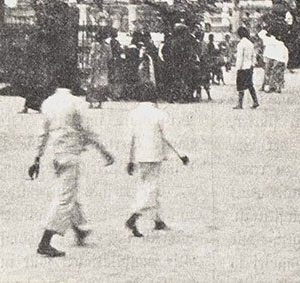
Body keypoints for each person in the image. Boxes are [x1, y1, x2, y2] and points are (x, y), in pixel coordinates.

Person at [27, 78, 116, 258]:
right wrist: (104, 151)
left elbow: (42, 133)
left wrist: (36, 158)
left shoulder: (48, 103)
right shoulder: (77, 103)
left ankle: (80, 228)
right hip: (70, 154)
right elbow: (88, 131)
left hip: (55, 155)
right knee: (65, 199)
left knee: (68, 193)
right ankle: (45, 242)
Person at [125, 83, 190, 237]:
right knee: (151, 187)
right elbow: (169, 137)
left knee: (147, 185)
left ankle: (157, 219)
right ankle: (134, 215)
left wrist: (130, 160)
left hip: (139, 156)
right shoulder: (160, 114)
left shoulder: (133, 114)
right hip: (154, 155)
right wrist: (181, 154)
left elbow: (131, 139)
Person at [233, 26, 259, 109]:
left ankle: (240, 104)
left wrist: (238, 68)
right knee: (250, 84)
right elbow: (253, 55)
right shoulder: (250, 43)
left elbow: (240, 57)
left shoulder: (241, 44)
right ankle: (255, 101)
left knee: (240, 85)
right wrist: (253, 64)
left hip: (243, 67)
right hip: (249, 66)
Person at [86, 30, 112, 109]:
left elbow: (91, 55)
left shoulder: (94, 45)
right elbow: (110, 57)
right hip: (103, 67)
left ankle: (91, 102)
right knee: (102, 84)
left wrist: (90, 64)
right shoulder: (107, 46)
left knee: (92, 84)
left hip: (95, 67)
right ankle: (100, 103)